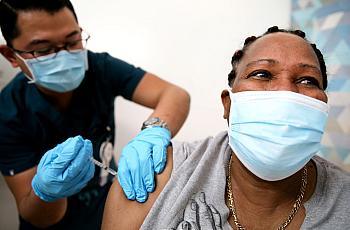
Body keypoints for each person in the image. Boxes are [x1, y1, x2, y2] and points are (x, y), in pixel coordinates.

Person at [102, 26, 350, 230]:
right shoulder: (157, 175)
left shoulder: (344, 203)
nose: (285, 91)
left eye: (307, 80)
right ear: (228, 105)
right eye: (262, 74)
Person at [0, 0, 190, 229]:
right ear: (11, 56)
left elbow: (174, 95)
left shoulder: (98, 67)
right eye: (43, 50)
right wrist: (48, 192)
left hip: (108, 210)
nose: (64, 56)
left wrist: (154, 131)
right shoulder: (7, 113)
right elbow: (41, 217)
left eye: (72, 41)